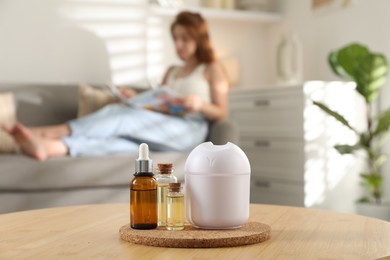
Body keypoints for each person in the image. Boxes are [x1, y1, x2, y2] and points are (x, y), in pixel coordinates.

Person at [3, 11, 229, 161]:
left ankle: (46, 132)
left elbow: (222, 112)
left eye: (185, 38)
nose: (179, 44)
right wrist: (136, 97)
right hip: (162, 123)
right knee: (120, 143)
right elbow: (160, 100)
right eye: (176, 38)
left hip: (190, 129)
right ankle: (53, 148)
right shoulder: (171, 71)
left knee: (121, 116)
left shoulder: (211, 68)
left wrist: (199, 104)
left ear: (199, 38)